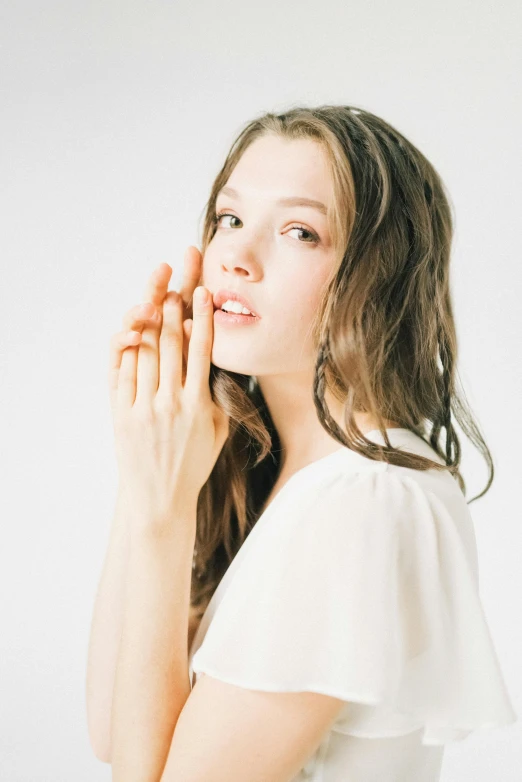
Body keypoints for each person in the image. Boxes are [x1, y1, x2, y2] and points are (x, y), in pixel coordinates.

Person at [87, 105, 517, 781]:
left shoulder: (363, 500)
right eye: (230, 218)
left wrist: (161, 511)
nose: (236, 256)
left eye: (299, 231)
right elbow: (115, 730)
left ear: (378, 278)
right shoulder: (285, 474)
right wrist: (147, 461)